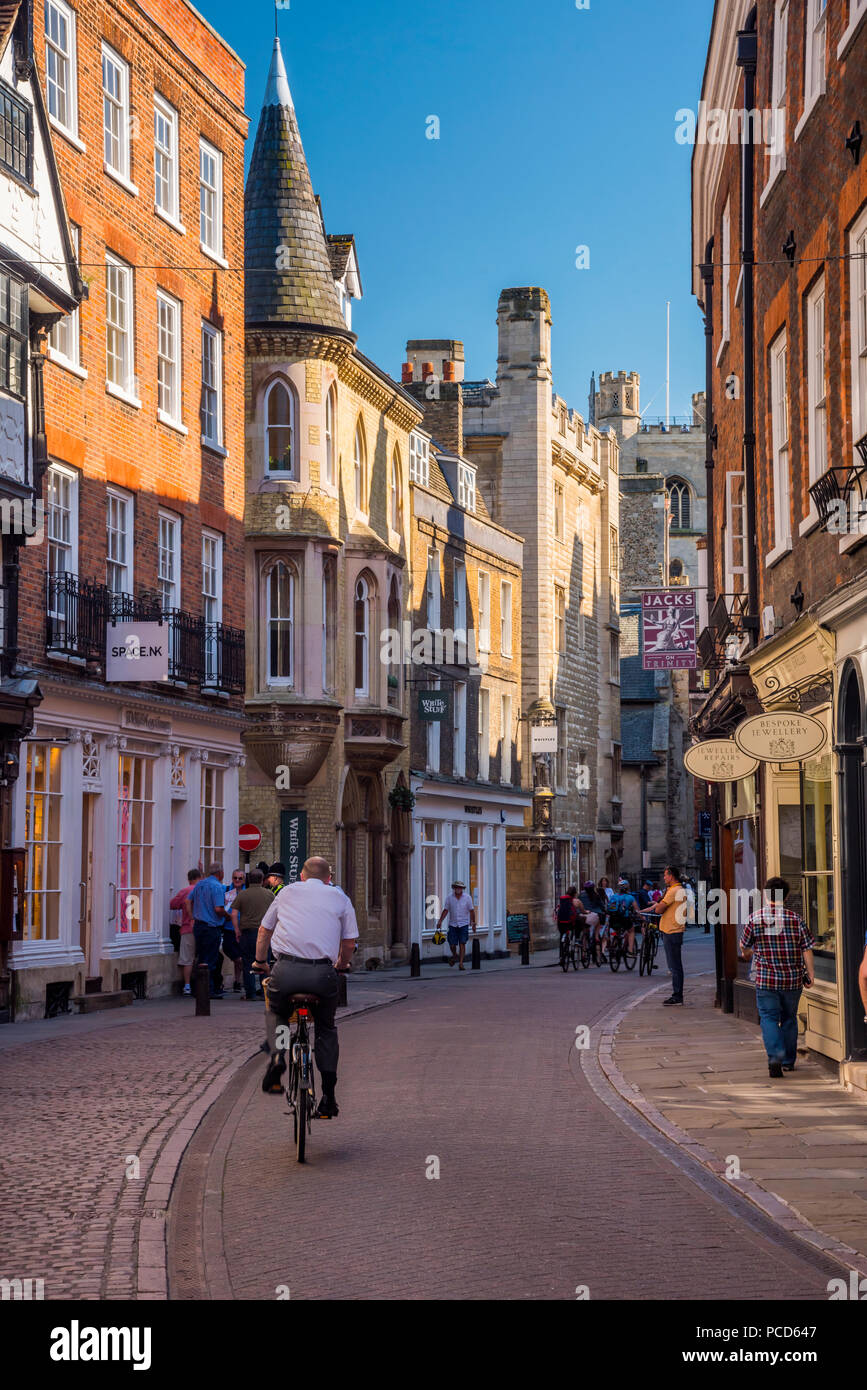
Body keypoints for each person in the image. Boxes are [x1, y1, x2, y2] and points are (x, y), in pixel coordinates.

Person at [253, 856, 358, 1118]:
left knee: (277, 1012)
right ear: (328, 879)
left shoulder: (286, 892)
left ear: (301, 876)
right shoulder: (340, 898)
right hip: (323, 974)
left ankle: (278, 1057)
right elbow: (348, 942)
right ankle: (329, 1097)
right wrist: (343, 965)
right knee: (325, 1028)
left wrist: (260, 961)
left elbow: (265, 931)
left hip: (286, 971)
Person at [738, 877, 814, 1078]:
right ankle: (789, 1061)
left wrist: (748, 954)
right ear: (786, 896)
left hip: (766, 980)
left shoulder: (755, 919)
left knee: (769, 1018)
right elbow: (806, 949)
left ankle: (775, 1056)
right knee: (789, 1018)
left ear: (765, 894)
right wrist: (811, 975)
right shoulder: (796, 919)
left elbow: (744, 947)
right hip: (792, 979)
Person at [640, 864, 687, 1006]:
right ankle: (677, 994)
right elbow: (658, 905)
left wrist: (656, 908)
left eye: (666, 875)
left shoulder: (674, 891)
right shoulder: (674, 889)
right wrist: (644, 910)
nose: (664, 877)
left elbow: (660, 909)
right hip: (671, 930)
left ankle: (677, 996)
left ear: (671, 876)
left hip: (672, 930)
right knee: (674, 965)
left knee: (674, 966)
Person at [230, 868, 274, 1000]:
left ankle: (251, 993)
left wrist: (237, 930)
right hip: (265, 934)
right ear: (261, 880)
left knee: (248, 963)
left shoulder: (243, 894)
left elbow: (233, 914)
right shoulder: (269, 894)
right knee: (264, 962)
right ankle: (264, 992)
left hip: (247, 933)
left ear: (249, 880)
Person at [190, 862, 227, 998]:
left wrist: (192, 916)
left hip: (199, 926)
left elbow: (189, 900)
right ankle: (208, 990)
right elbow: (218, 909)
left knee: (201, 958)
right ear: (220, 873)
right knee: (211, 960)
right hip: (211, 927)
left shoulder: (199, 884)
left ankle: (198, 989)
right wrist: (227, 916)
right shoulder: (217, 886)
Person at [170, 869, 201, 995]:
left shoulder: (186, 891)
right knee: (202, 957)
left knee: (187, 959)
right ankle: (203, 984)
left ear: (189, 879)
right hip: (204, 927)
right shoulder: (204, 889)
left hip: (188, 928)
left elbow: (172, 904)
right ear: (199, 877)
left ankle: (187, 985)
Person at [436, 881, 476, 970]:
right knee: (452, 944)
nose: (458, 889)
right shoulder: (449, 898)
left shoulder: (467, 898)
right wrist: (440, 921)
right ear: (454, 888)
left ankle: (461, 963)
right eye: (457, 887)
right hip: (453, 924)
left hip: (464, 924)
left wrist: (473, 923)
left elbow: (471, 911)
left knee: (462, 943)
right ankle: (455, 955)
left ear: (462, 889)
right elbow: (445, 910)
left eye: (460, 887)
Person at [221, 868, 246, 993]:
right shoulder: (226, 890)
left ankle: (237, 981)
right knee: (234, 954)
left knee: (240, 956)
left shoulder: (247, 893)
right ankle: (239, 976)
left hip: (242, 929)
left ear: (244, 880)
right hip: (228, 928)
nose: (237, 880)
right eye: (235, 878)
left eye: (240, 878)